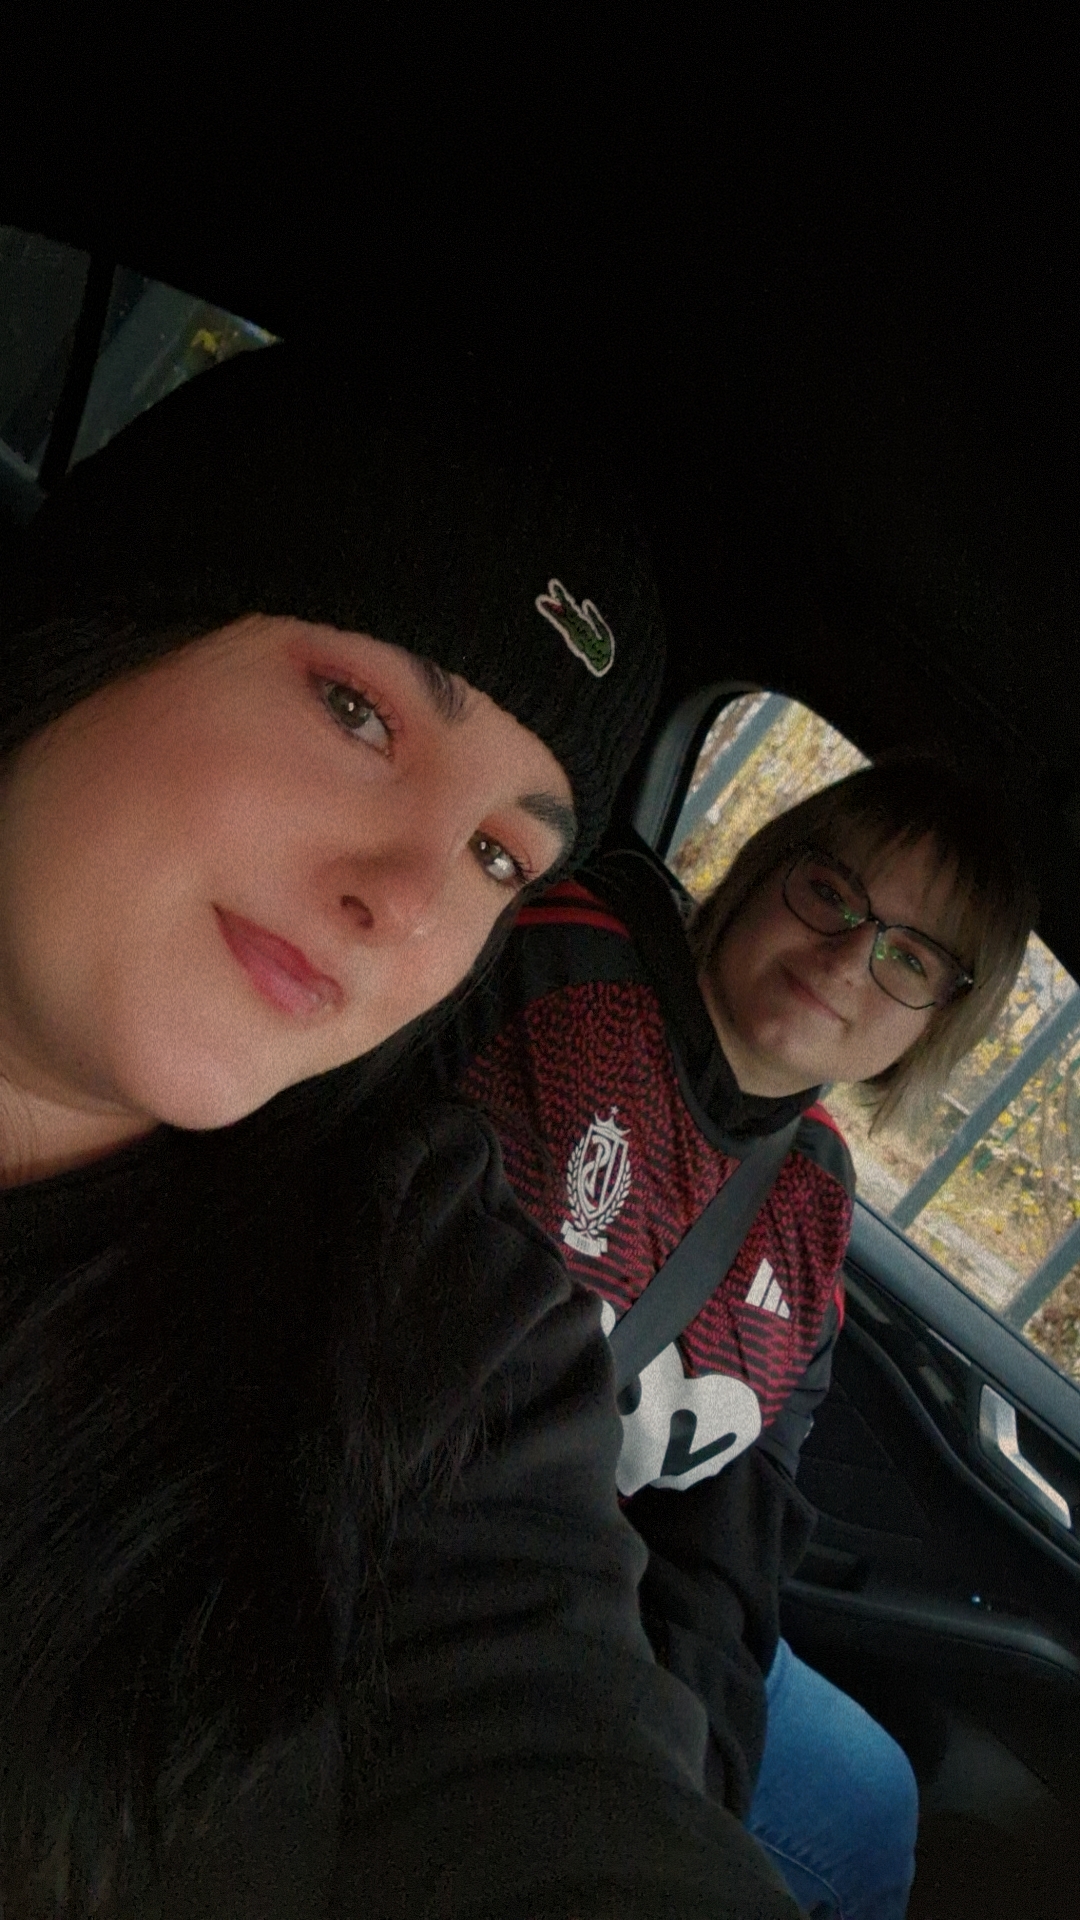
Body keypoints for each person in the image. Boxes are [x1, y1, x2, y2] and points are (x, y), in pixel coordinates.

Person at [0, 346, 807, 1919]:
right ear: (98, 622)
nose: (413, 900)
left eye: (503, 858)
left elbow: (556, 1769)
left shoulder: (428, 1310)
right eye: (358, 711)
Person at [421, 756, 1037, 1920]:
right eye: (831, 893)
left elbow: (737, 1526)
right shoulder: (555, 968)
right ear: (761, 872)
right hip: (433, 1557)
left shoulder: (815, 1195)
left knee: (868, 1804)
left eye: (910, 958)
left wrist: (688, 1760)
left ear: (934, 1025)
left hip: (619, 1619)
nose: (846, 959)